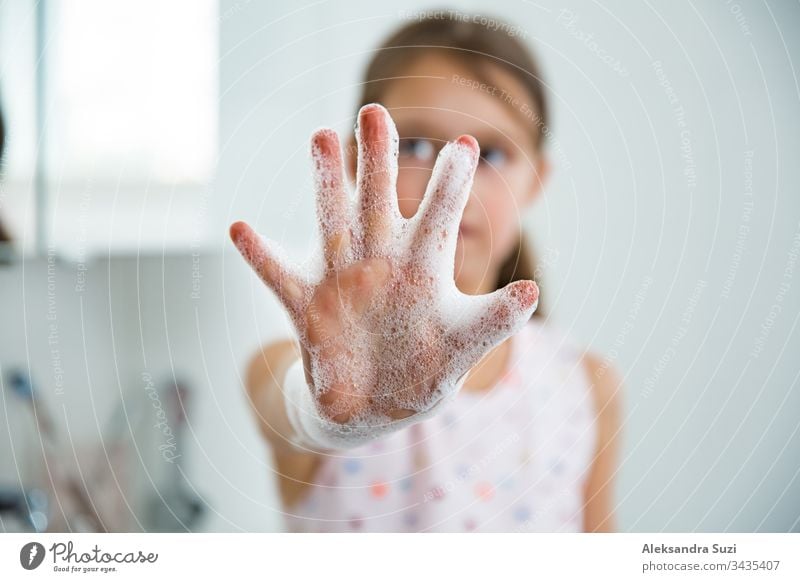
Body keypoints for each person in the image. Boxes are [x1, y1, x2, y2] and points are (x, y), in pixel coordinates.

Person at [230, 13, 622, 532]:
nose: (451, 179)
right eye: (414, 145)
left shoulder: (587, 388)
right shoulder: (296, 370)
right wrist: (336, 418)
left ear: (536, 181)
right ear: (357, 161)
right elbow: (291, 414)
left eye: (492, 153)